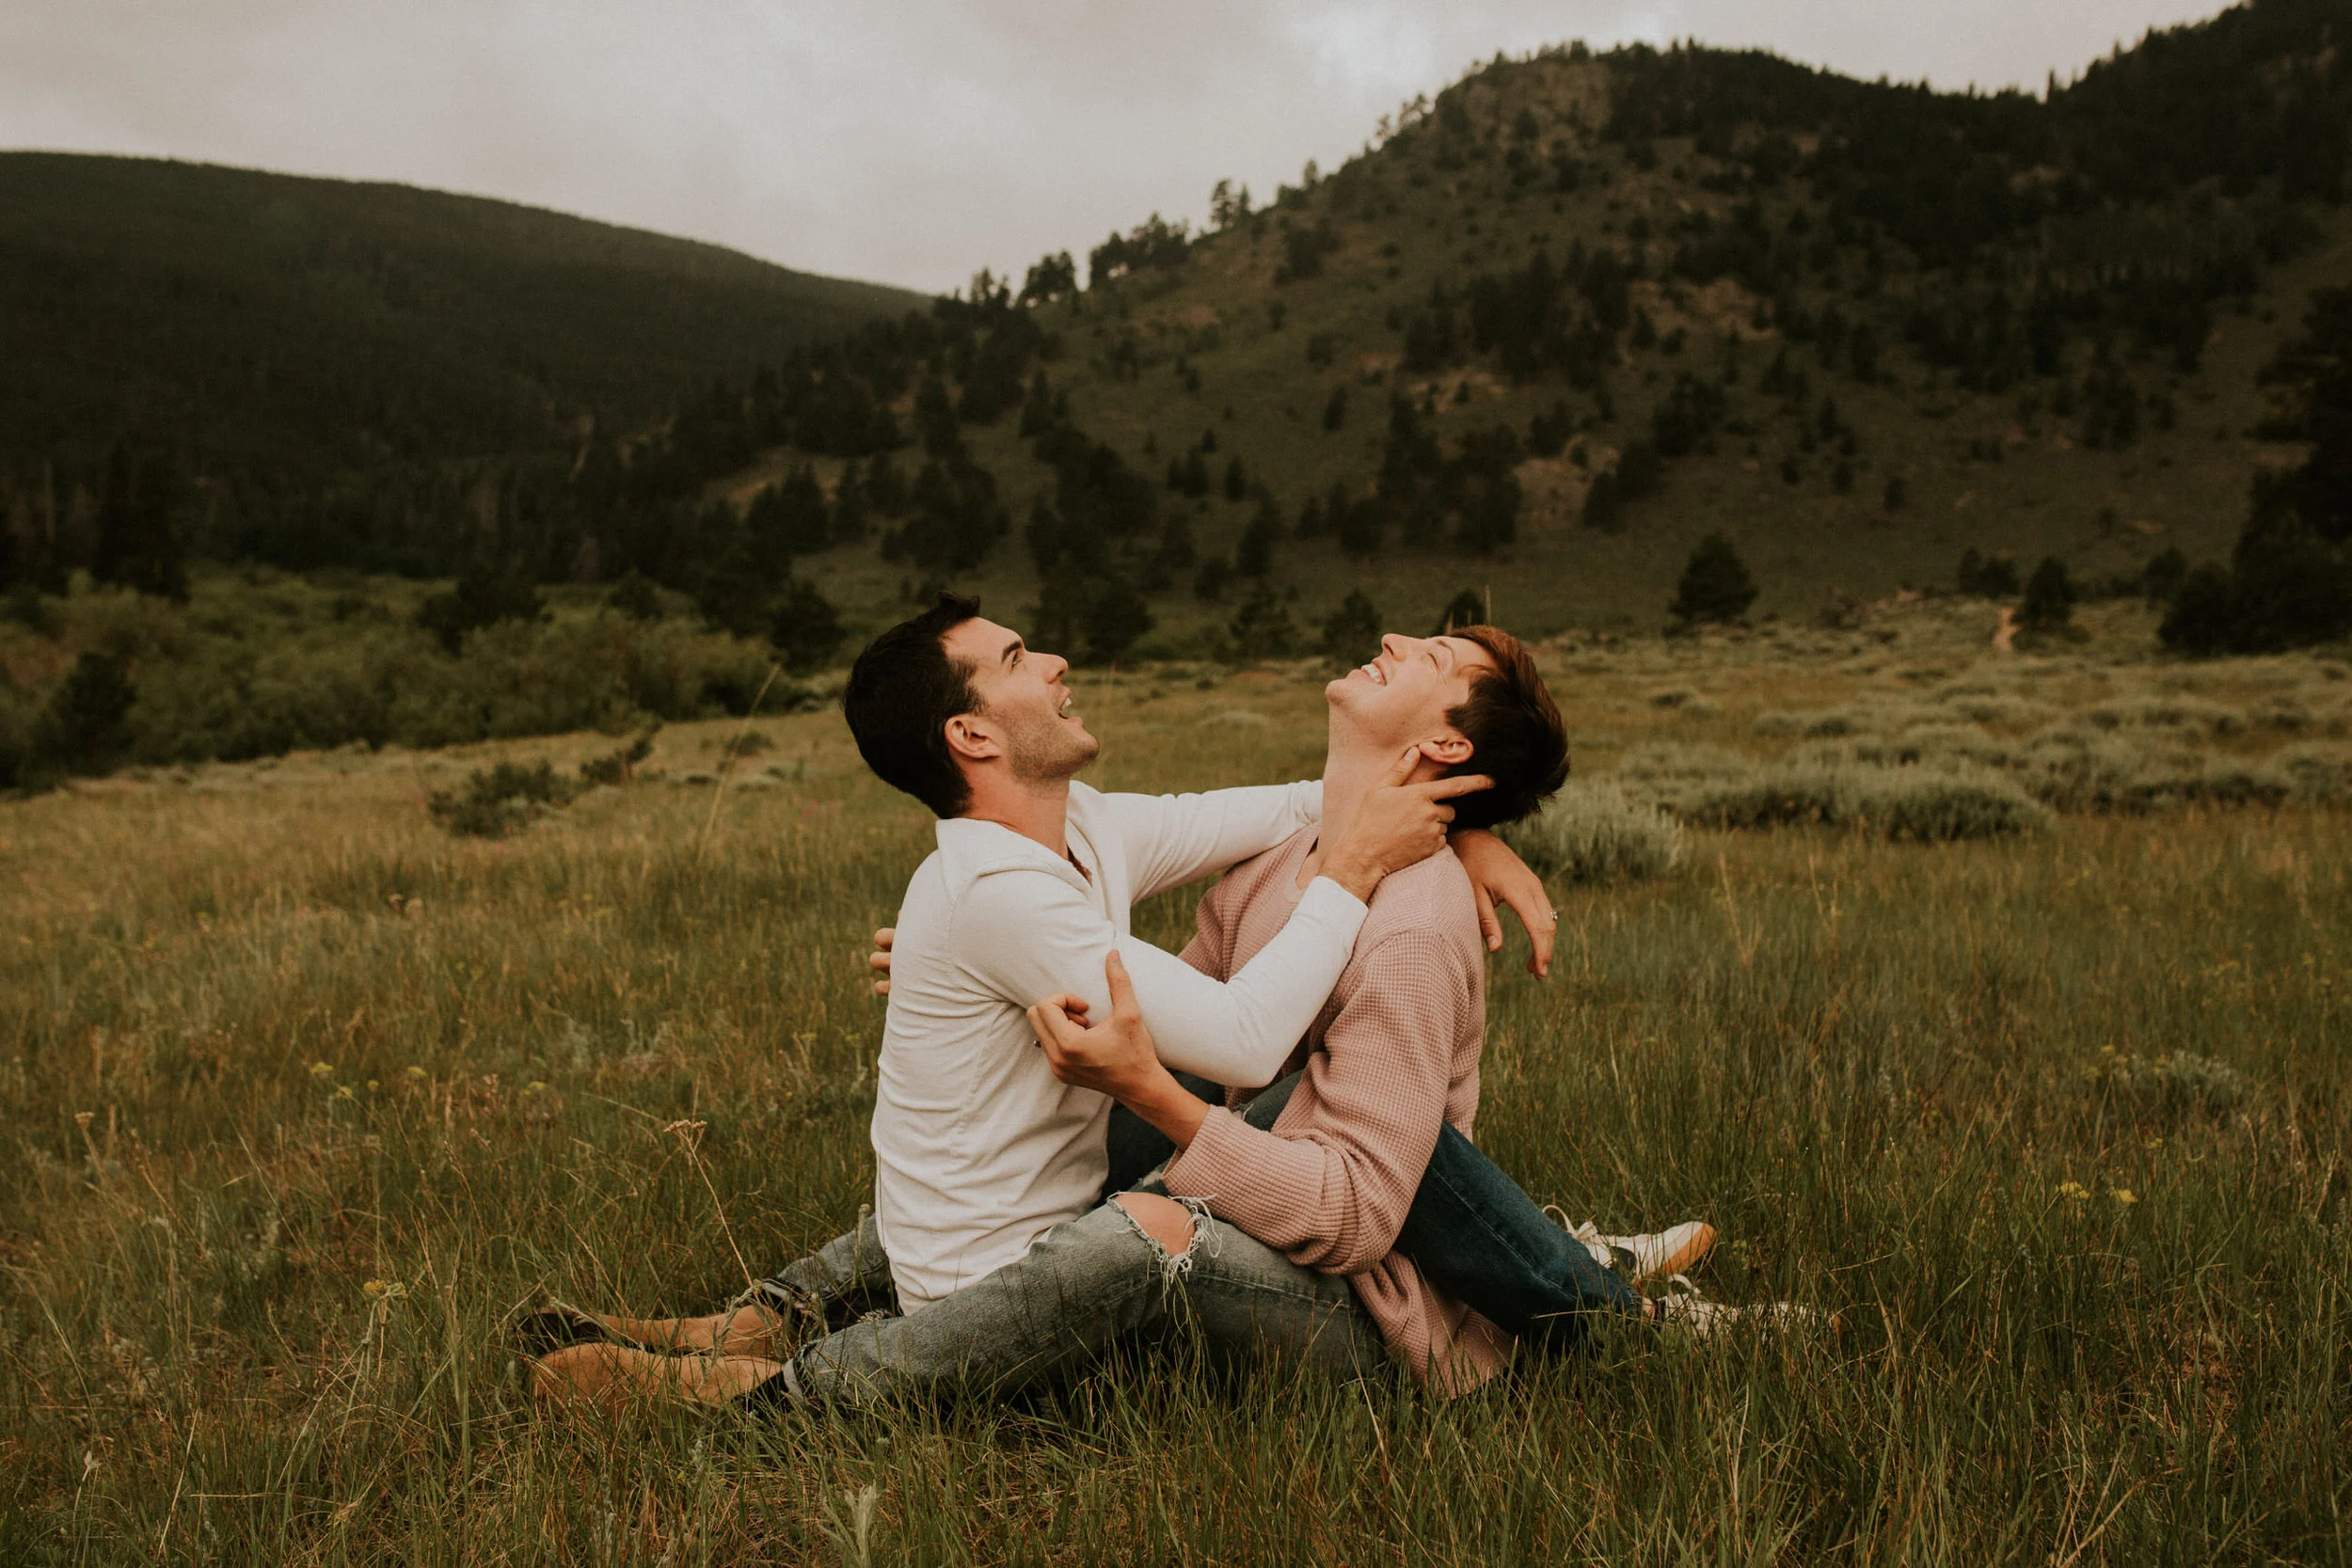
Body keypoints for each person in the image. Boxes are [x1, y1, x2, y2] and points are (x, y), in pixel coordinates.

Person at [526, 597, 1763, 1411]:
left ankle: (787, 1389)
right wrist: (1004, 965)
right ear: (971, 730)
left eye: (1432, 661)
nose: (1055, 660)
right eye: (1020, 659)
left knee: (1141, 1235)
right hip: (1274, 1187)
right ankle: (761, 1313)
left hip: (1365, 1320)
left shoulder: (1416, 914)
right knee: (1028, 1109)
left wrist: (1452, 838)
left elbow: (1334, 1195)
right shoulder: (1263, 854)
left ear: (1438, 749)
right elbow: (1275, 868)